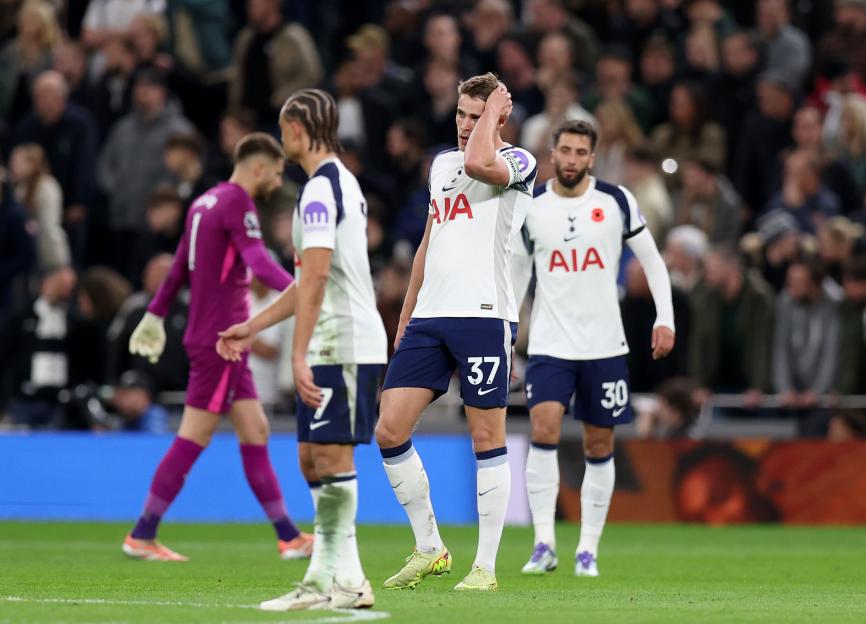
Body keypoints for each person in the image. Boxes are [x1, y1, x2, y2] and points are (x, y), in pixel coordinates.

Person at [218, 89, 386, 611]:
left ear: (295, 128)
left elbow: (314, 279)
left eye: (282, 126)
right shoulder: (339, 183)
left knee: (331, 457)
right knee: (312, 460)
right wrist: (253, 324)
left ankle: (319, 584)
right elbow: (304, 280)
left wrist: (296, 354)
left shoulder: (318, 191)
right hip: (334, 340)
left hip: (345, 341)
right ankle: (350, 580)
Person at [373, 72, 536, 592]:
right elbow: (428, 242)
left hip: (484, 315)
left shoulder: (517, 162)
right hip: (429, 317)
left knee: (486, 437)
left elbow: (478, 163)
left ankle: (485, 567)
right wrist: (404, 317)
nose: (465, 125)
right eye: (461, 115)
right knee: (388, 429)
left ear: (498, 116)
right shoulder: (441, 164)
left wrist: (493, 118)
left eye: (476, 115)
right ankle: (429, 548)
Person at [121, 132, 311, 563]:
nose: (276, 182)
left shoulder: (203, 202)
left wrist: (155, 313)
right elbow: (258, 260)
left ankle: (289, 536)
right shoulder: (236, 202)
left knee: (255, 429)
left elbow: (175, 268)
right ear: (259, 168)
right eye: (277, 173)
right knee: (194, 436)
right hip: (222, 341)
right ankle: (142, 533)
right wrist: (303, 289)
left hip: (221, 338)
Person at [511, 120, 674, 577]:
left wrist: (665, 318)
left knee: (599, 442)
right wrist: (507, 333)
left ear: (592, 157)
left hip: (604, 345)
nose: (571, 160)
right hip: (549, 342)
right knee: (542, 428)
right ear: (553, 152)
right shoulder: (532, 205)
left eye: (580, 152)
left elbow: (653, 262)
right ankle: (543, 543)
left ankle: (587, 549)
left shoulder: (616, 201)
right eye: (564, 150)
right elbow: (517, 276)